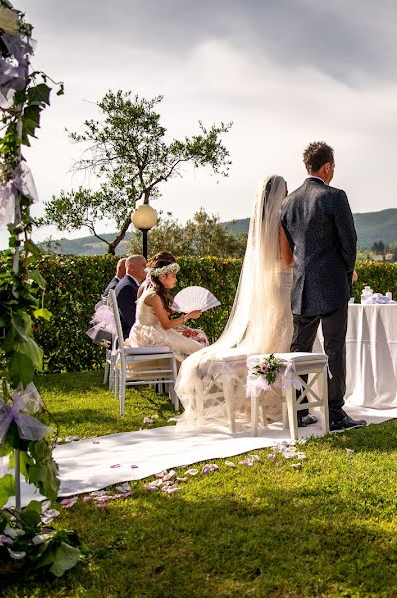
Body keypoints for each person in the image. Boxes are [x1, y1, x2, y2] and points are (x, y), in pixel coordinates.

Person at [175, 175, 295, 431]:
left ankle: (260, 398)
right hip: (281, 286)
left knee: (268, 339)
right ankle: (273, 401)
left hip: (267, 288)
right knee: (280, 341)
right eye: (286, 189)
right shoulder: (281, 223)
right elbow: (287, 260)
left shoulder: (259, 225)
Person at [281, 141, 366, 431]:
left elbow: (292, 249)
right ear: (327, 167)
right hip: (331, 285)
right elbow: (349, 242)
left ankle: (298, 410)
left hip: (301, 286)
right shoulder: (334, 196)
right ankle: (335, 412)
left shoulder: (287, 202)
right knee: (334, 349)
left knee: (300, 349)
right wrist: (347, 272)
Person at [127, 253, 205, 362]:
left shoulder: (155, 293)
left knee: (196, 339)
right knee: (200, 349)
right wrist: (188, 316)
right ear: (162, 276)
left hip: (154, 331)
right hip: (149, 336)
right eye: (173, 276)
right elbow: (166, 325)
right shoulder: (153, 296)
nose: (176, 280)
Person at [113, 254, 147, 339]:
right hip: (130, 336)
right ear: (130, 267)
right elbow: (132, 319)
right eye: (144, 266)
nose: (146, 269)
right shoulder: (127, 288)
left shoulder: (130, 284)